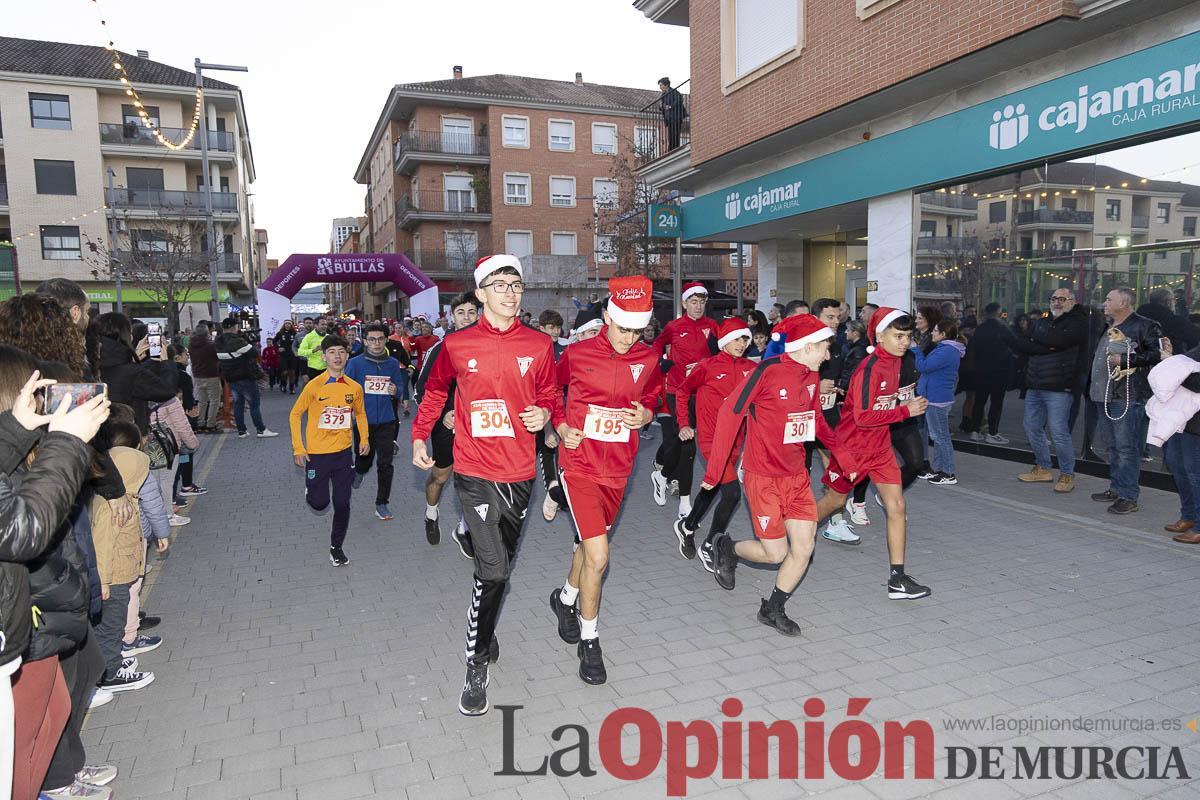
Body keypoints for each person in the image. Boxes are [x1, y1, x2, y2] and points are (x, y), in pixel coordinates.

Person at [411, 253, 559, 716]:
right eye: (500, 286)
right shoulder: (456, 345)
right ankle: (475, 665)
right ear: (480, 294)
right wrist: (419, 435)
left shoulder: (539, 344)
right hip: (473, 470)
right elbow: (435, 392)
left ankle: (486, 624)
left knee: (498, 569)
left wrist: (545, 413)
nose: (510, 294)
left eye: (516, 285)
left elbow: (550, 393)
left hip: (519, 472)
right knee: (494, 571)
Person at [705, 315, 859, 636]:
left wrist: (843, 456)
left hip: (796, 477)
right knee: (775, 553)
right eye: (825, 348)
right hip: (762, 478)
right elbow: (730, 412)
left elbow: (815, 420)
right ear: (807, 347)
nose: (828, 356)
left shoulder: (811, 376)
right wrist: (716, 469)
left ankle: (772, 608)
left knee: (803, 548)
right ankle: (727, 548)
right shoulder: (766, 371)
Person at [548, 277, 661, 684]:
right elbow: (549, 391)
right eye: (623, 329)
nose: (629, 338)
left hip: (619, 468)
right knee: (598, 556)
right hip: (579, 464)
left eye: (637, 331)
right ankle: (590, 641)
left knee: (587, 543)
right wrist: (561, 426)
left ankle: (564, 598)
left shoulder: (648, 357)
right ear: (608, 318)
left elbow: (654, 394)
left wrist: (646, 414)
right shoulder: (577, 354)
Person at [812, 307, 932, 600]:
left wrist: (904, 404)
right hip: (852, 449)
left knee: (897, 506)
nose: (905, 342)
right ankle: (786, 533)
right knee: (834, 501)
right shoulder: (870, 368)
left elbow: (883, 407)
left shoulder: (896, 362)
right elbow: (863, 417)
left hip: (880, 448)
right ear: (880, 336)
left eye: (908, 336)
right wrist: (905, 411)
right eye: (898, 336)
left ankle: (897, 578)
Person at [669, 318, 755, 570]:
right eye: (737, 339)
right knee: (732, 493)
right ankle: (711, 544)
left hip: (736, 441)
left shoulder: (752, 368)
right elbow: (682, 392)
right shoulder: (707, 366)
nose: (742, 344)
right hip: (711, 439)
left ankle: (687, 526)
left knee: (714, 485)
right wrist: (684, 424)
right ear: (725, 341)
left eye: (745, 339)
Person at [289, 335, 369, 566]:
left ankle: (336, 547)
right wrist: (298, 448)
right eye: (332, 352)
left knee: (342, 503)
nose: (337, 356)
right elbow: (295, 414)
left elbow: (360, 414)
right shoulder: (314, 386)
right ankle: (312, 490)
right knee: (319, 503)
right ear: (324, 357)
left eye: (342, 352)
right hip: (317, 455)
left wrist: (364, 439)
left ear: (347, 355)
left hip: (343, 454)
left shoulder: (354, 387)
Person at [413, 292, 480, 555]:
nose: (467, 317)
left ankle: (464, 529)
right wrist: (443, 415)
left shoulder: (488, 345)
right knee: (441, 477)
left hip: (480, 425)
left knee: (475, 479)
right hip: (447, 426)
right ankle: (431, 512)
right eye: (461, 313)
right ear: (452, 317)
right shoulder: (441, 348)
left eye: (472, 312)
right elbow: (421, 389)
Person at [1089, 287, 1163, 515]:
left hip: (1127, 396)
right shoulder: (1109, 325)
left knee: (1126, 448)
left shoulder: (1145, 325)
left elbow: (1157, 354)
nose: (1104, 303)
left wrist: (1125, 359)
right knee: (1113, 446)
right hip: (1104, 394)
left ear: (1124, 303)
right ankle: (1117, 488)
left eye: (1109, 299)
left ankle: (1129, 496)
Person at [650, 282, 719, 519]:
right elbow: (657, 344)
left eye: (702, 302)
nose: (698, 306)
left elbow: (722, 352)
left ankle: (661, 475)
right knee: (688, 447)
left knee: (681, 446)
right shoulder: (674, 326)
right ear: (684, 303)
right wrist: (661, 361)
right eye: (693, 302)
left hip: (701, 395)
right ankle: (685, 503)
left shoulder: (712, 326)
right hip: (677, 392)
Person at [1014, 289, 1089, 492]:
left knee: (1058, 432)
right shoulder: (1043, 321)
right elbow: (1022, 343)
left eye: (1062, 299)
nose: (1057, 302)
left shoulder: (1078, 322)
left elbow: (1060, 341)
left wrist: (1038, 340)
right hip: (1035, 384)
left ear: (1072, 302)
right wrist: (1047, 345)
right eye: (1054, 298)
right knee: (1032, 427)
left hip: (1060, 386)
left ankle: (1067, 474)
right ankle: (1043, 468)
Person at [344, 324, 405, 521]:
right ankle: (359, 470)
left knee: (385, 463)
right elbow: (345, 389)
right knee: (365, 459)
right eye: (372, 339)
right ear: (365, 341)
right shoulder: (355, 363)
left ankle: (382, 503)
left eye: (380, 339)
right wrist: (349, 411)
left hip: (387, 421)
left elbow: (400, 385)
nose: (376, 343)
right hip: (363, 421)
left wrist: (396, 391)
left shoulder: (393, 363)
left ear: (386, 340)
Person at [93, 314, 176, 435]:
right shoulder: (132, 372)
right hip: (129, 435)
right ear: (124, 335)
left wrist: (133, 358)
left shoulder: (91, 363)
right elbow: (166, 391)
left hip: (101, 435)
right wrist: (166, 362)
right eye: (129, 332)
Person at [1152, 343, 1200, 542]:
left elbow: (1196, 381)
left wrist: (1171, 363)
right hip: (1182, 418)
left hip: (1195, 423)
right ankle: (1189, 516)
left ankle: (1198, 525)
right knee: (1177, 466)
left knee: (1194, 473)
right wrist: (1172, 358)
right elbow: (1187, 364)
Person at [912, 321, 964, 485]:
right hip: (935, 397)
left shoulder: (947, 351)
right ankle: (938, 469)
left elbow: (923, 366)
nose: (932, 333)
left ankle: (948, 473)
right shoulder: (944, 349)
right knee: (937, 436)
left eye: (935, 331)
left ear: (943, 334)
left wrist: (916, 349)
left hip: (937, 400)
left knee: (941, 437)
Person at [215, 317, 279, 440]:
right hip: (245, 376)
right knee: (254, 404)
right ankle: (261, 429)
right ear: (234, 327)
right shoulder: (236, 341)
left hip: (231, 377)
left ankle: (242, 431)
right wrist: (246, 339)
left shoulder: (218, 341)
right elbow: (254, 352)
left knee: (238, 403)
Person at [962, 303, 1017, 444]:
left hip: (981, 371)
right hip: (999, 371)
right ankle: (992, 432)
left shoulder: (980, 329)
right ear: (998, 313)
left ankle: (975, 431)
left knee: (979, 401)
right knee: (996, 403)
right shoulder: (1002, 328)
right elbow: (1015, 344)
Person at [1137, 287, 1200, 355]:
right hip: (1171, 358)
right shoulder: (1176, 322)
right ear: (1168, 302)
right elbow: (1195, 336)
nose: (1175, 302)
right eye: (1174, 299)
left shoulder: (1138, 318)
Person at [188, 322, 223, 433]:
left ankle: (200, 423)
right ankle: (210, 424)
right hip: (211, 375)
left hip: (198, 375)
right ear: (207, 332)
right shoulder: (211, 345)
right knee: (214, 400)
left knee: (202, 401)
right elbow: (218, 357)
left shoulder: (191, 345)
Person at [658, 77, 688, 151]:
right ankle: (671, 148)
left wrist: (670, 106)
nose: (660, 87)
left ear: (666, 85)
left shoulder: (674, 92)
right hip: (669, 118)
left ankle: (675, 147)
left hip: (676, 116)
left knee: (675, 133)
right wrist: (662, 107)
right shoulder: (663, 95)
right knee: (671, 134)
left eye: (661, 85)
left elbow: (680, 100)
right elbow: (663, 106)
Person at [296, 317, 329, 383]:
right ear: (316, 325)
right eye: (322, 324)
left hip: (327, 368)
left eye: (325, 324)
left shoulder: (328, 336)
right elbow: (300, 352)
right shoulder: (309, 337)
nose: (325, 326)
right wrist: (314, 350)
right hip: (313, 369)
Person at [274, 320, 300, 394]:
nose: (287, 325)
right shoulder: (280, 333)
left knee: (292, 372)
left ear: (291, 325)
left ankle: (291, 388)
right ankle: (283, 385)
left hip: (293, 355)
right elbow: (274, 342)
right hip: (283, 355)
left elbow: (299, 343)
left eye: (289, 324)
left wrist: (297, 350)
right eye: (286, 323)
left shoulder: (295, 333)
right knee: (284, 372)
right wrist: (278, 348)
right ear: (284, 325)